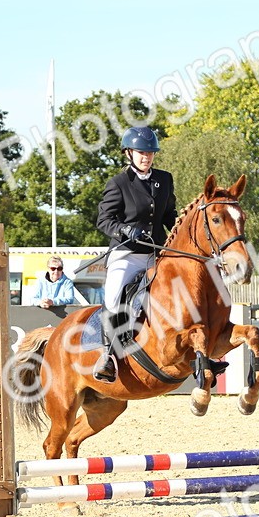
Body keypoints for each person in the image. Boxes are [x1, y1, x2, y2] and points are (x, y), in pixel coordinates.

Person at [92, 126, 177, 382]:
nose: (146, 157)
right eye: (141, 152)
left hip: (156, 254)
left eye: (150, 153)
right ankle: (106, 356)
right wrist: (126, 229)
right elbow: (104, 220)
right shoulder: (118, 183)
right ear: (128, 153)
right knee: (115, 294)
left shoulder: (165, 179)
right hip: (127, 254)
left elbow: (169, 216)